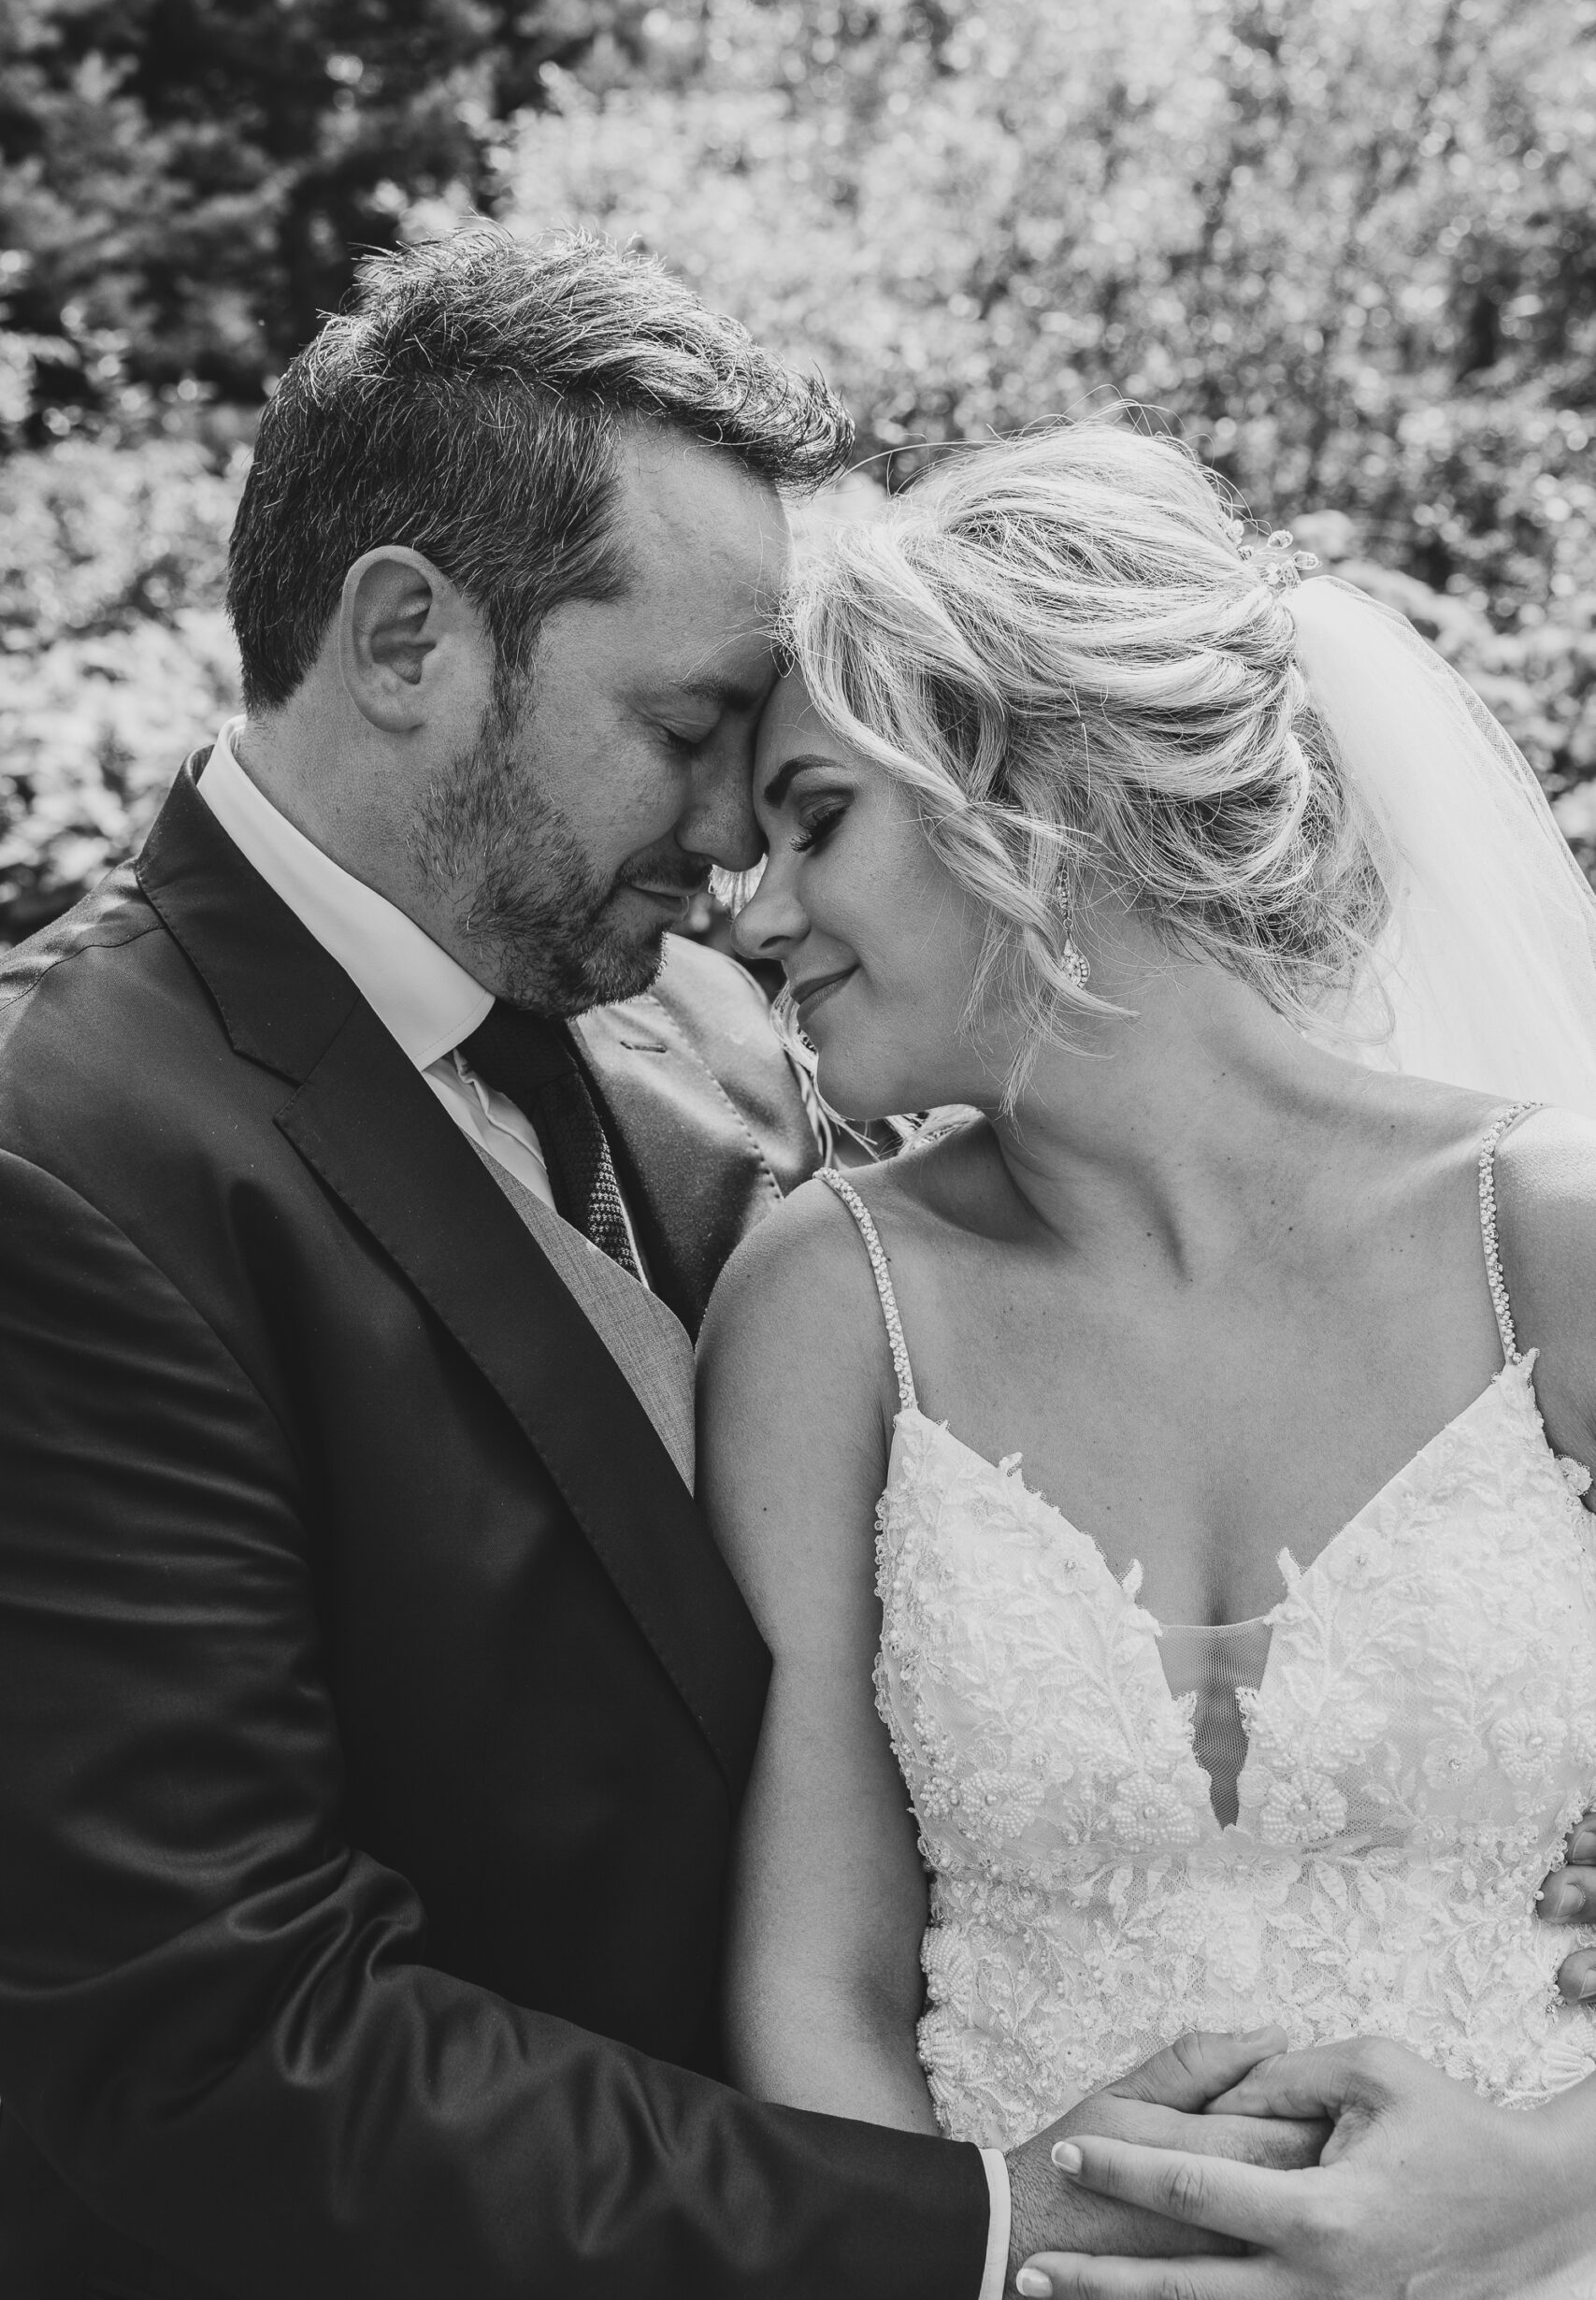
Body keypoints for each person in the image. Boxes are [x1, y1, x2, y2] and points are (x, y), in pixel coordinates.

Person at [0, 231, 1325, 2300]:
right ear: (407, 636)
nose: (737, 840)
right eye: (691, 724)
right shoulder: (65, 1158)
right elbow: (220, 2040)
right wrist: (974, 2225)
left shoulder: (708, 1043)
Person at [701, 421, 1596, 2296]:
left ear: (1026, 793)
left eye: (811, 817)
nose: (751, 911)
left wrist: (1534, 2189)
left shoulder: (1550, 1237)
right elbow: (816, 1984)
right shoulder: (824, 1305)